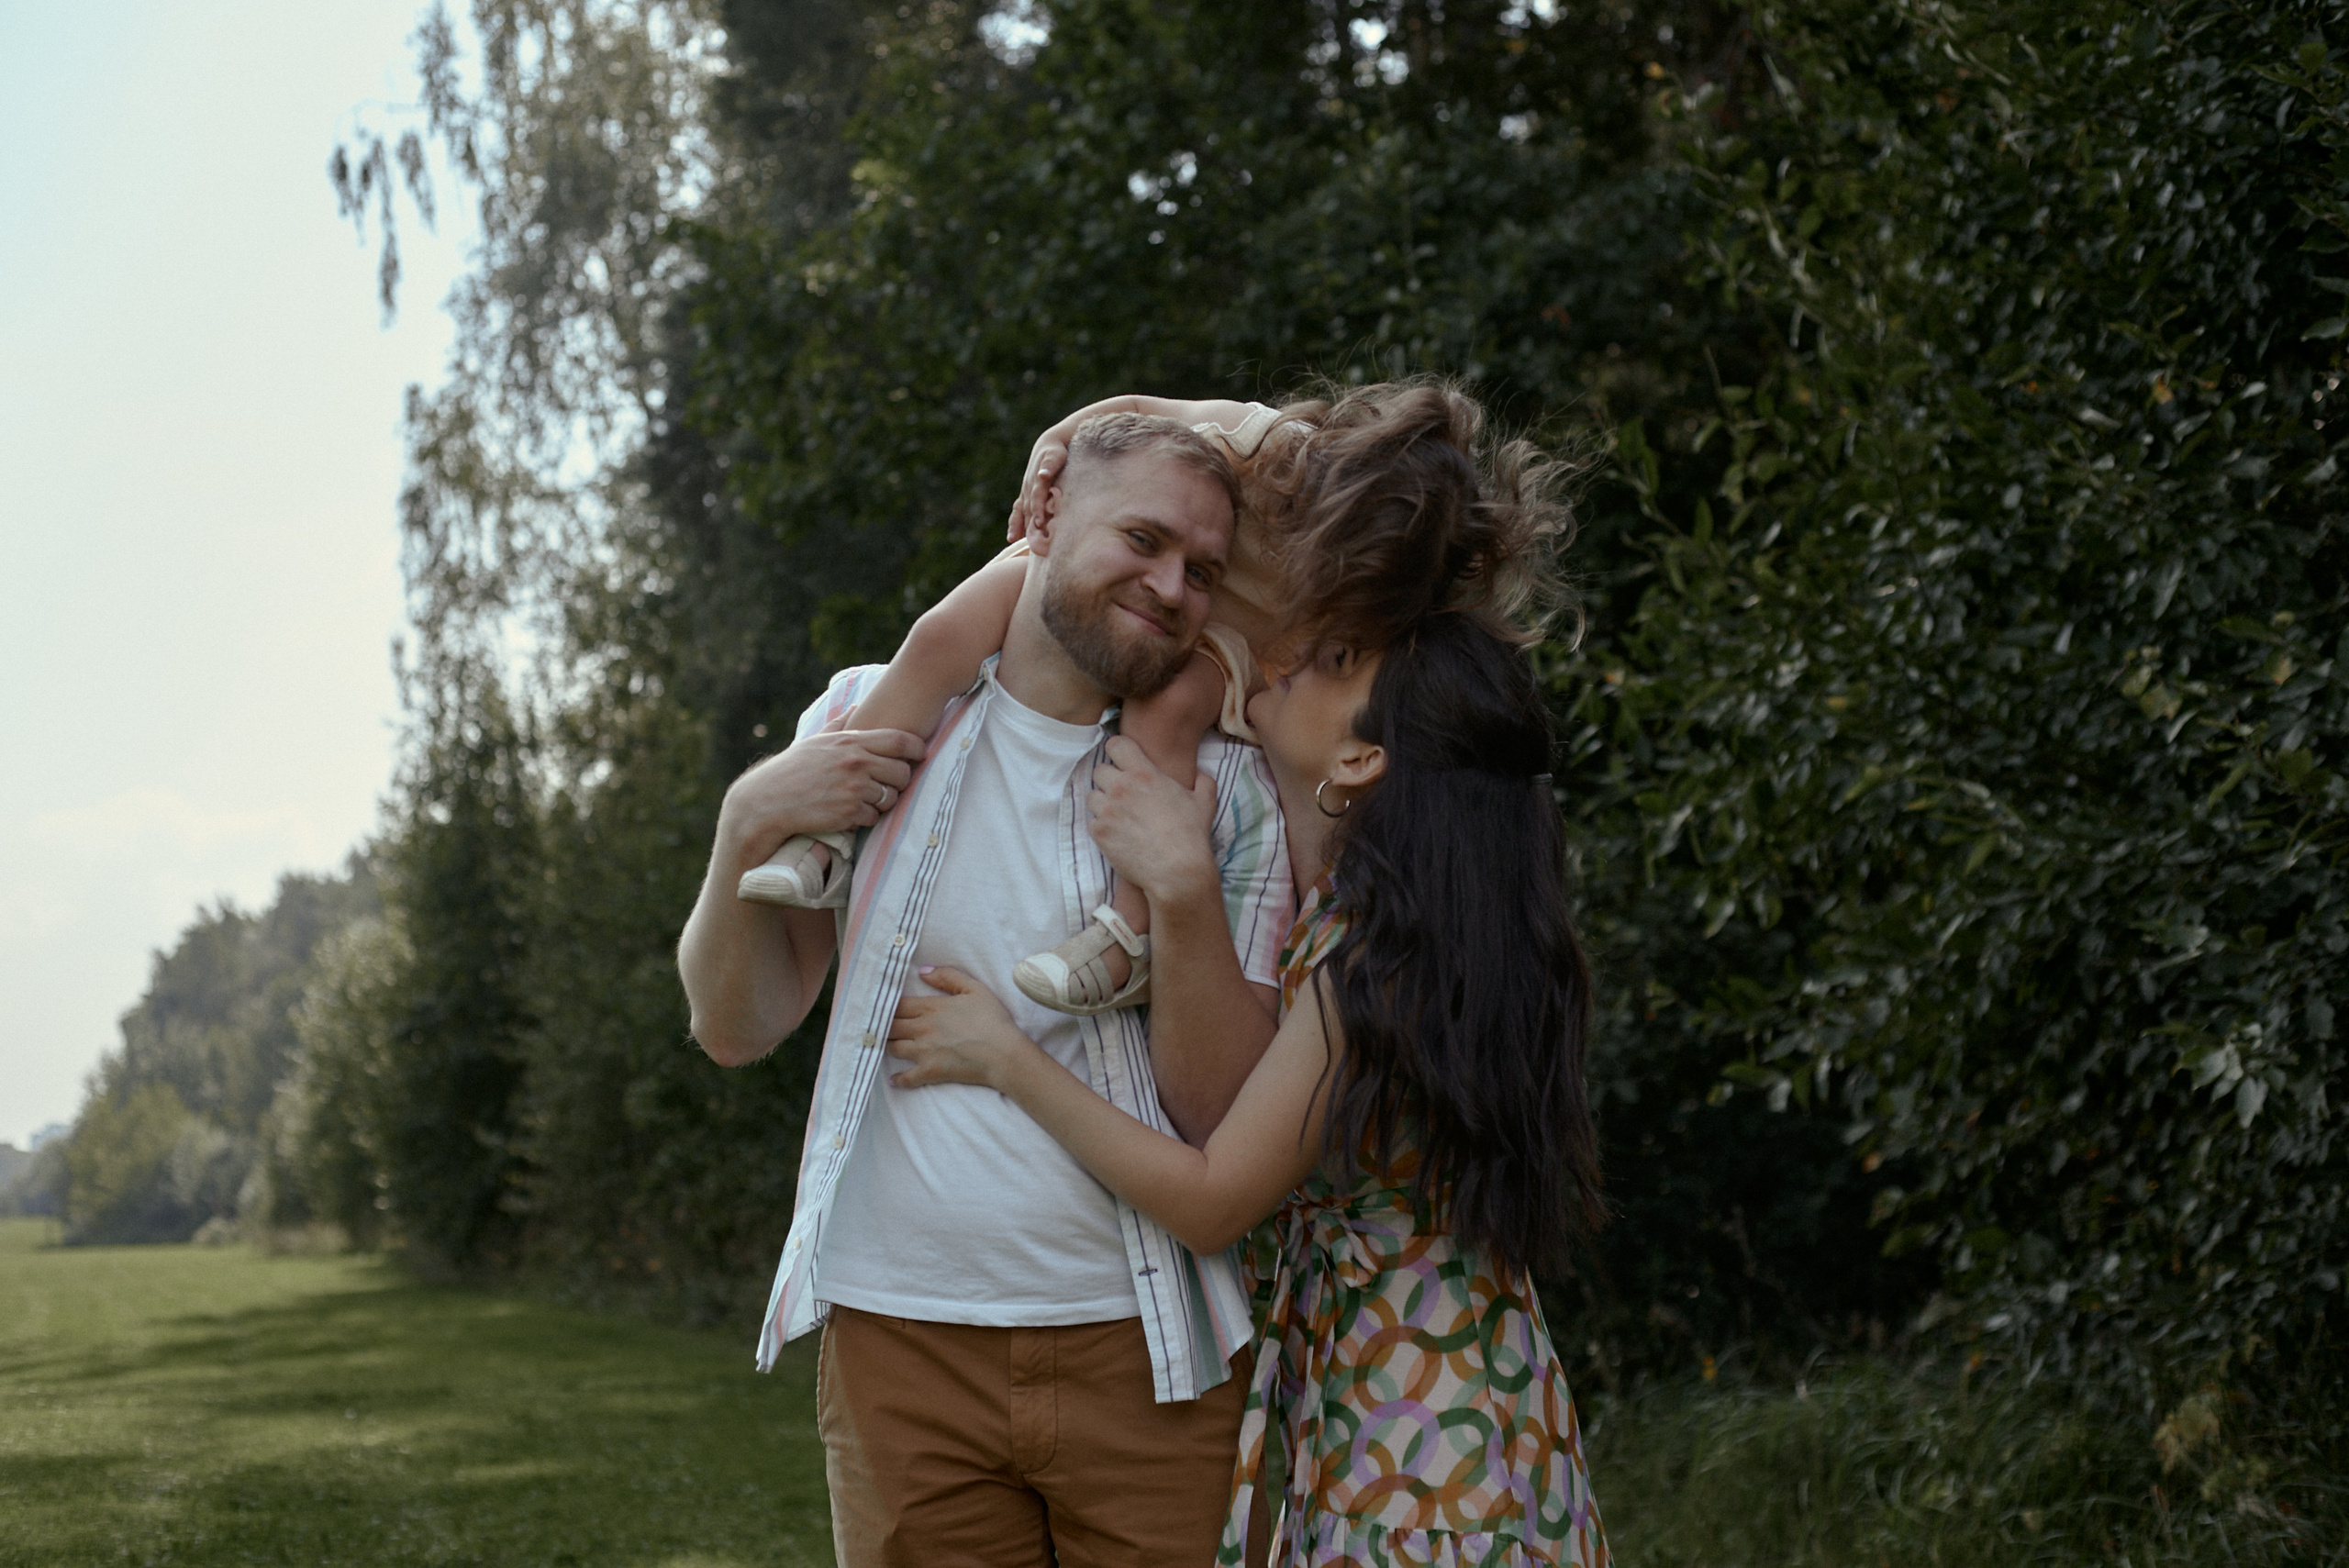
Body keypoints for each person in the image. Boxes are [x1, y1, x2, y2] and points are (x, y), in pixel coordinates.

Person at [884, 539, 1610, 1557]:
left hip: (1417, 1450)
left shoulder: (1373, 961)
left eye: (1336, 662)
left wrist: (1006, 1056)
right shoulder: (1395, 927)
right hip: (1450, 1408)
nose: (1292, 656)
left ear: (1362, 759)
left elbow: (1215, 1193)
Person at [679, 411, 1296, 1568]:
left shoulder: (1228, 789)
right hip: (899, 1340)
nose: (1169, 586)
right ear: (1047, 512)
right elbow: (734, 1023)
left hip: (1152, 1347)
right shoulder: (865, 724)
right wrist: (741, 824)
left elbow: (1219, 1114)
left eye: (1202, 570)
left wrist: (1181, 889)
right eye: (1144, 538)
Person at [735, 400, 1292, 1018]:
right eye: (1139, 536)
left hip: (1227, 638)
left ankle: (1128, 935)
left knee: (1170, 707)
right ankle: (830, 827)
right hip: (1076, 568)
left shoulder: (1243, 785)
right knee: (937, 635)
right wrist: (1058, 437)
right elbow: (1137, 410)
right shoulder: (1278, 443)